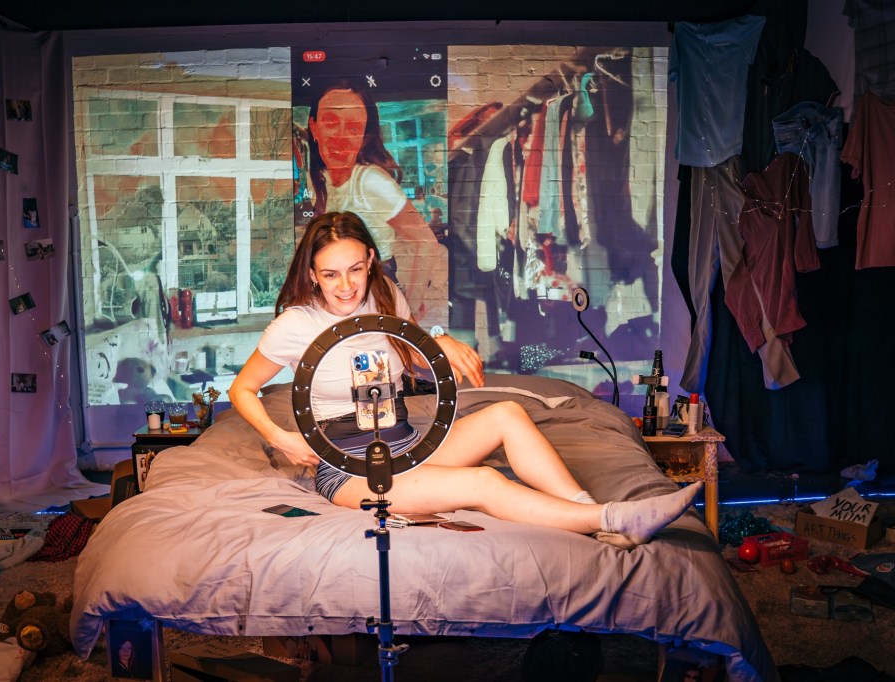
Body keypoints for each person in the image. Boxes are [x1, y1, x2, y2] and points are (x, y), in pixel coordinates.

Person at [230, 212, 702, 548]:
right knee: (483, 482)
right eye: (330, 274)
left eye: (355, 269)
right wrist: (280, 437)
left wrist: (438, 345)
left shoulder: (385, 294)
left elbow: (408, 360)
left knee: (508, 414)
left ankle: (587, 512)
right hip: (351, 466)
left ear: (371, 259)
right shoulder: (296, 324)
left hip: (406, 443)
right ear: (313, 274)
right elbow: (242, 389)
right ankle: (614, 517)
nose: (346, 285)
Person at [305, 83, 444, 320]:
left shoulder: (371, 181)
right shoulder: (318, 179)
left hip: (378, 288)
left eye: (353, 127)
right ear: (314, 128)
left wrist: (411, 304)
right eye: (330, 122)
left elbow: (426, 241)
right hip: (340, 290)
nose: (341, 137)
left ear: (364, 136)